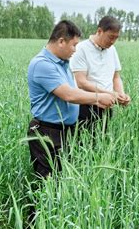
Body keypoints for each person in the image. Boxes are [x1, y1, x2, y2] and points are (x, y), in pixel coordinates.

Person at [27, 20, 116, 177]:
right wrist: (99, 96)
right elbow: (68, 95)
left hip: (64, 132)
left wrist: (98, 100)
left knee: (64, 182)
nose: (75, 50)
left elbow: (74, 90)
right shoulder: (42, 64)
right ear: (61, 41)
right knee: (48, 183)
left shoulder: (63, 64)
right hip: (47, 132)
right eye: (74, 45)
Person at [70, 16, 131, 129]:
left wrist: (121, 94)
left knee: (103, 142)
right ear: (99, 31)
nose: (113, 41)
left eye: (116, 38)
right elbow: (81, 82)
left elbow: (116, 77)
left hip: (107, 105)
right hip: (86, 105)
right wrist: (109, 94)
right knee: (84, 142)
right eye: (110, 37)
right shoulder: (81, 48)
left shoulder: (112, 50)